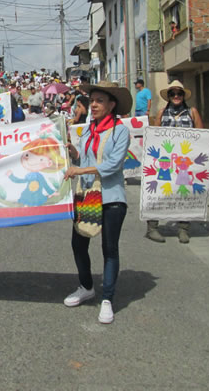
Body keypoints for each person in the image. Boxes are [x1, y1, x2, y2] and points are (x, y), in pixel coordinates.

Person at [64, 81, 132, 325]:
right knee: (78, 243)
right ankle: (86, 286)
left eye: (99, 100)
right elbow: (85, 157)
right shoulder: (88, 130)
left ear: (112, 105)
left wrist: (80, 169)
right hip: (87, 195)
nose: (92, 105)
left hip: (111, 197)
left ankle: (108, 299)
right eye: (91, 100)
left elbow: (112, 165)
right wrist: (73, 152)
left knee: (109, 248)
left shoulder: (120, 130)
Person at [146, 80, 203, 244]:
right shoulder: (162, 112)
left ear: (183, 96)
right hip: (165, 161)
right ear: (168, 97)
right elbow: (155, 135)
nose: (176, 96)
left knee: (183, 193)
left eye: (179, 93)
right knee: (158, 193)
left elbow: (201, 134)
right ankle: (152, 227)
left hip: (185, 161)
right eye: (173, 94)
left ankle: (183, 228)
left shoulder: (192, 112)